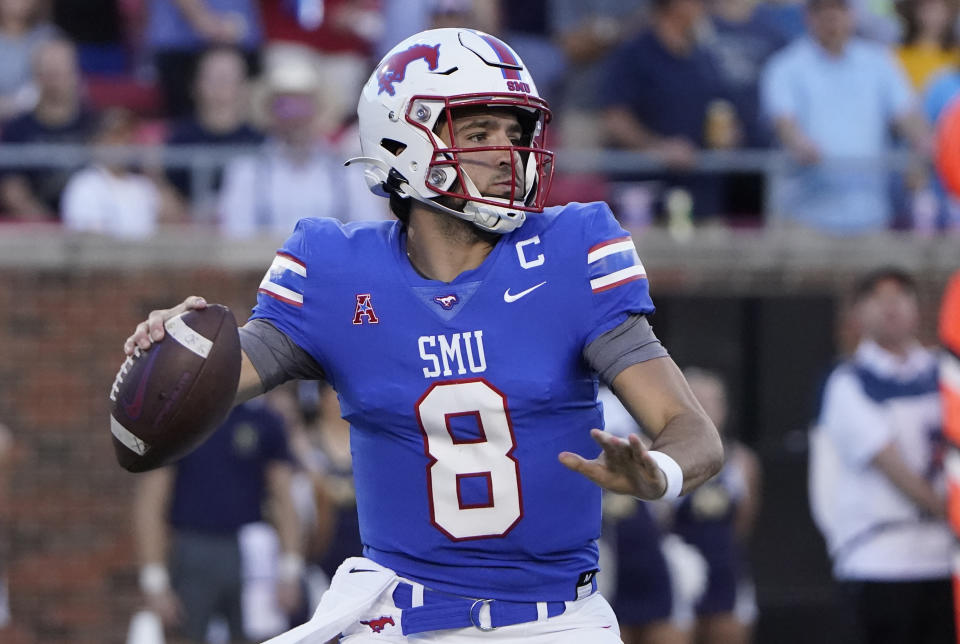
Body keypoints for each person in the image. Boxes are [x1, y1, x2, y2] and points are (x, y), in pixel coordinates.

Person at [123, 28, 724, 643]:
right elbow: (207, 384)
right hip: (396, 616)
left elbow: (695, 433)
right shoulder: (336, 271)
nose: (507, 153)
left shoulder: (569, 254)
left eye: (516, 133)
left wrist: (661, 473)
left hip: (552, 623)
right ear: (402, 139)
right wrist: (178, 348)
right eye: (479, 132)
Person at [809, 267, 953, 643]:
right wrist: (950, 513)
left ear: (919, 309)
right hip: (879, 559)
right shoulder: (847, 382)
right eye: (877, 298)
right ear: (856, 314)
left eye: (901, 296)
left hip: (944, 557)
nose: (891, 307)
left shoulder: (945, 374)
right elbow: (891, 464)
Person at [132, 400, 304, 644]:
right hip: (194, 548)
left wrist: (290, 570)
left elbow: (285, 501)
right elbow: (151, 503)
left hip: (252, 551)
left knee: (259, 637)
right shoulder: (177, 421)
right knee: (187, 634)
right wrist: (154, 580)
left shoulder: (265, 419)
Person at [759, 0, 932, 235]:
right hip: (805, 219)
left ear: (852, 15)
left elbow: (907, 115)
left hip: (870, 216)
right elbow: (783, 122)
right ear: (808, 16)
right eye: (823, 10)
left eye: (839, 9)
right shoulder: (785, 66)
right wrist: (799, 144)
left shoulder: (879, 62)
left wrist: (922, 140)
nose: (832, 17)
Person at [217, 44, 387, 237]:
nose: (295, 117)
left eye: (303, 106)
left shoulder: (349, 174)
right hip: (263, 267)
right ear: (270, 113)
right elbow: (236, 238)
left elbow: (368, 235)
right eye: (285, 107)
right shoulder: (246, 172)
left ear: (318, 110)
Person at [673, 368, 760, 644]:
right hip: (680, 573)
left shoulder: (742, 462)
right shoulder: (665, 461)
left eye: (713, 401)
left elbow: (744, 520)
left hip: (725, 568)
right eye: (697, 400)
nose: (706, 409)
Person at [0, 37, 96, 221]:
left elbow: (116, 180)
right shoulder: (17, 129)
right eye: (49, 73)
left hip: (92, 227)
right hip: (40, 230)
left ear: (76, 73)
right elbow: (12, 190)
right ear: (35, 76)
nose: (55, 81)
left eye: (61, 73)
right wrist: (50, 226)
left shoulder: (96, 124)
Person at [164, 46, 264, 212]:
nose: (220, 87)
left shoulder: (262, 143)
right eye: (213, 78)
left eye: (228, 79)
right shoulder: (177, 140)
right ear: (195, 85)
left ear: (245, 86)